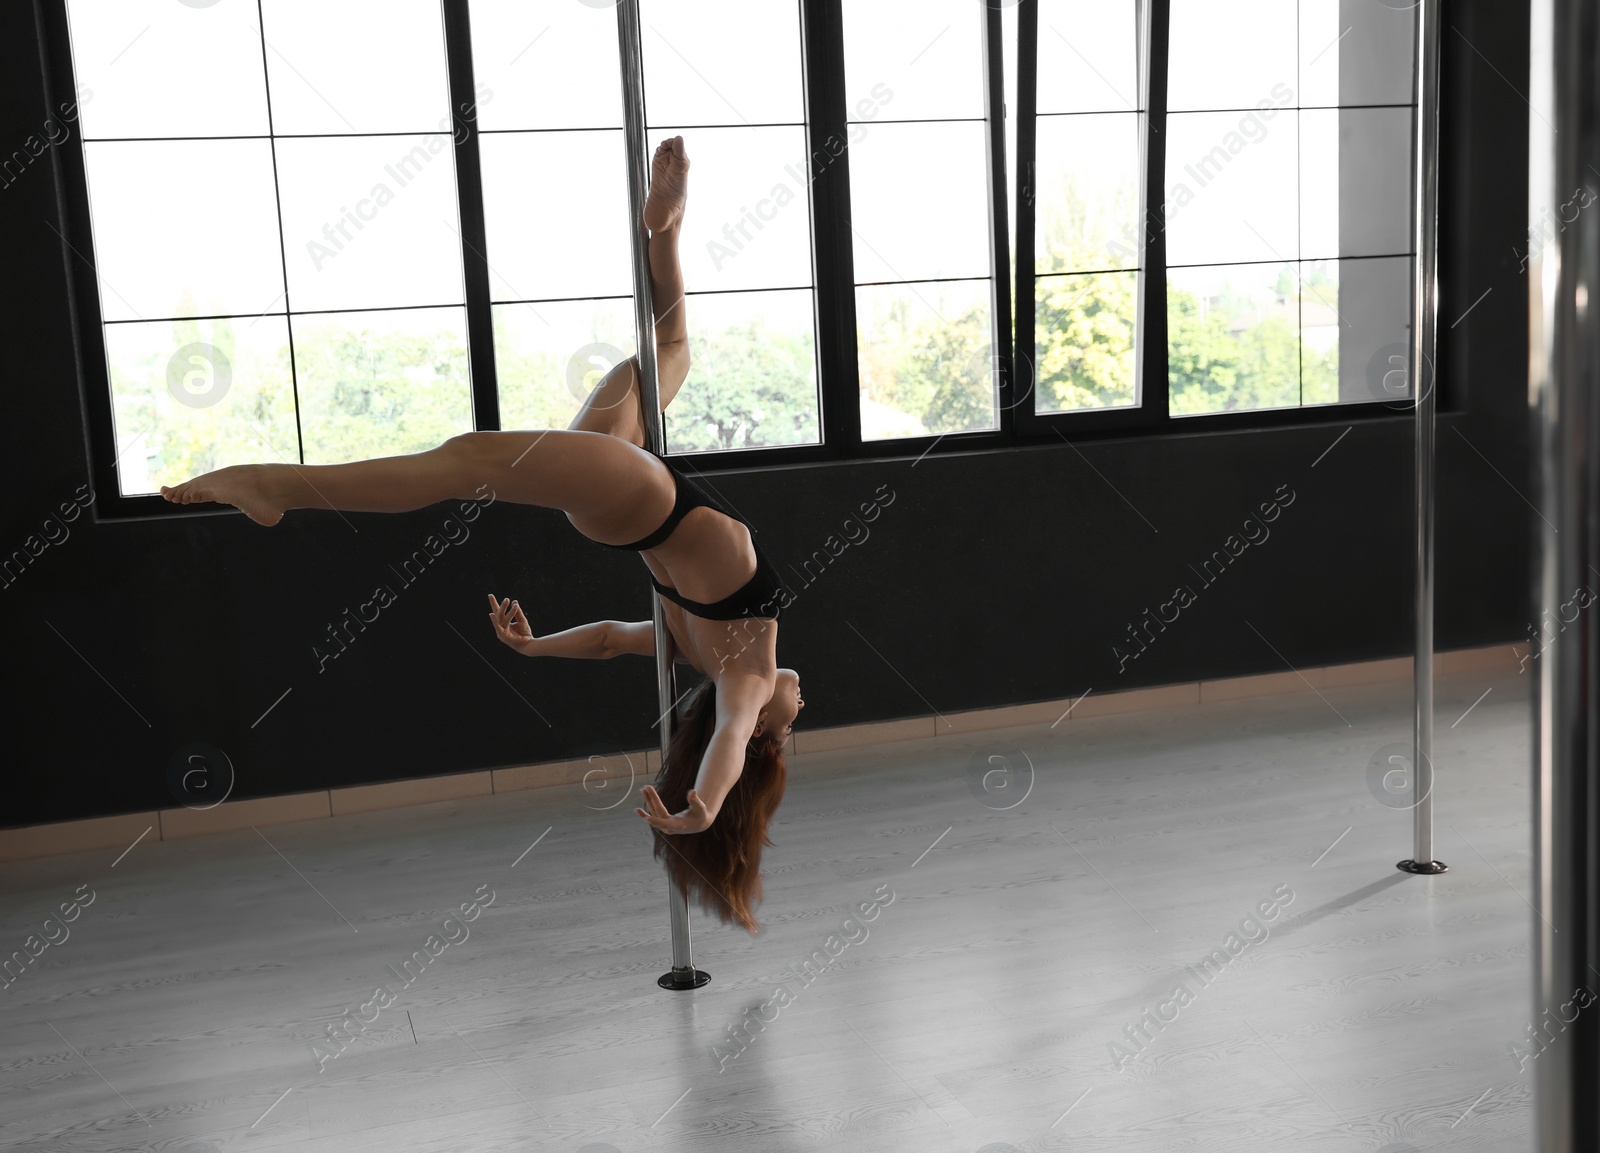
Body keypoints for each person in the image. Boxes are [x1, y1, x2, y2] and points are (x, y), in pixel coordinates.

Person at [161, 137, 799, 934]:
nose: (802, 702)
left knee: (463, 462)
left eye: (794, 721)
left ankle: (275, 488)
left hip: (641, 496)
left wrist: (705, 805)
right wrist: (534, 651)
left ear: (771, 727)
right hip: (631, 500)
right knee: (668, 352)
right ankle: (664, 230)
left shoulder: (744, 677)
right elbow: (607, 639)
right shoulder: (704, 656)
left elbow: (731, 738)